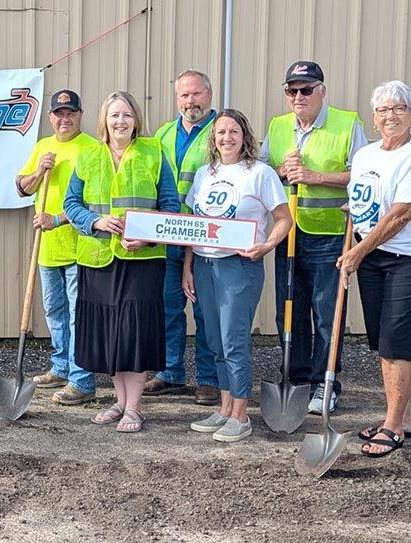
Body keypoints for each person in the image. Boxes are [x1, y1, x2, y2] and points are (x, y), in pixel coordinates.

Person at [64, 90, 180, 433]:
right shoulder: (87, 156)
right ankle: (119, 401)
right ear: (104, 121)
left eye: (127, 115)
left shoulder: (153, 152)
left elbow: (171, 206)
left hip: (142, 259)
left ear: (136, 120)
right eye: (114, 115)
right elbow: (72, 204)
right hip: (98, 260)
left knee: (134, 332)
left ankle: (134, 407)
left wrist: (149, 236)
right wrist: (95, 222)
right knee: (110, 333)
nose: (120, 121)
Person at [262, 61, 367, 414]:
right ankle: (297, 378)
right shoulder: (277, 127)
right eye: (292, 90)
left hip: (328, 234)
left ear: (321, 90)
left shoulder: (346, 123)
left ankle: (326, 383)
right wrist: (280, 171)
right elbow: (261, 173)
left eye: (306, 89)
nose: (298, 96)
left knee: (325, 313)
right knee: (289, 311)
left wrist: (315, 176)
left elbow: (364, 174)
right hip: (288, 233)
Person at [183, 109, 291, 442]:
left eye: (233, 131)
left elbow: (284, 219)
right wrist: (187, 266)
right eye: (220, 133)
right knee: (214, 339)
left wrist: (266, 245)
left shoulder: (260, 173)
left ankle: (242, 414)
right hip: (204, 264)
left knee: (234, 339)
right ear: (212, 140)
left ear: (244, 135)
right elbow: (195, 224)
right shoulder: (204, 173)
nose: (226, 138)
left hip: (238, 266)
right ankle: (225, 407)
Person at [335, 80, 411, 457]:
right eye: (383, 110)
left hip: (403, 258)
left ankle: (394, 426)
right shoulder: (365, 155)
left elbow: (401, 214)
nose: (390, 115)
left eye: (398, 108)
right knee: (383, 339)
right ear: (374, 118)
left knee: (396, 343)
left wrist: (358, 251)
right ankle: (399, 417)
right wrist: (356, 230)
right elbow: (361, 200)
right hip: (371, 257)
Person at [17, 89, 99, 405]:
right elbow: (23, 187)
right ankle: (61, 366)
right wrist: (39, 170)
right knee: (54, 310)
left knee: (79, 315)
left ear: (80, 115)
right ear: (51, 117)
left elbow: (94, 202)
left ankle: (81, 380)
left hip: (81, 246)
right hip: (47, 247)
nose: (65, 119)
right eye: (59, 114)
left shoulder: (92, 149)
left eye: (71, 113)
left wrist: (58, 218)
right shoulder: (43, 147)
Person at [147, 69, 219, 405]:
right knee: (168, 306)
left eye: (195, 94)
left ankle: (208, 378)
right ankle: (170, 371)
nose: (190, 102)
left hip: (206, 235)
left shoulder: (222, 131)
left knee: (205, 310)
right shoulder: (162, 133)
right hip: (168, 233)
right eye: (183, 96)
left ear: (209, 93)